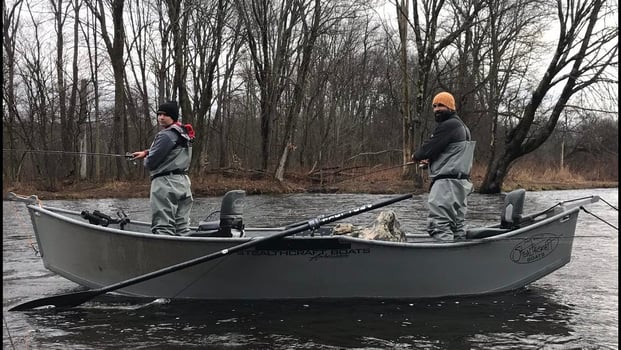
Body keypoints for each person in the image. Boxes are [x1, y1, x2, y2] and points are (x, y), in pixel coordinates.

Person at [411, 92, 476, 241]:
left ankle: (444, 259)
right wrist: (432, 161)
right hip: (461, 185)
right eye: (434, 106)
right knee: (457, 226)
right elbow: (451, 154)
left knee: (438, 225)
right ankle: (459, 257)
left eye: (441, 105)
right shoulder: (463, 127)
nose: (436, 109)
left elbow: (428, 148)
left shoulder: (449, 125)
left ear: (451, 107)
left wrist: (416, 156)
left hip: (447, 185)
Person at [132, 101, 195, 235]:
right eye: (159, 114)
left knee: (163, 226)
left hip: (165, 184)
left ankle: (164, 254)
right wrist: (146, 152)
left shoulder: (165, 135)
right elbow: (172, 150)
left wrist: (147, 158)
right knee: (182, 227)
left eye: (165, 115)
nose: (161, 117)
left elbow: (150, 163)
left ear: (172, 116)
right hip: (183, 182)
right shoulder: (183, 132)